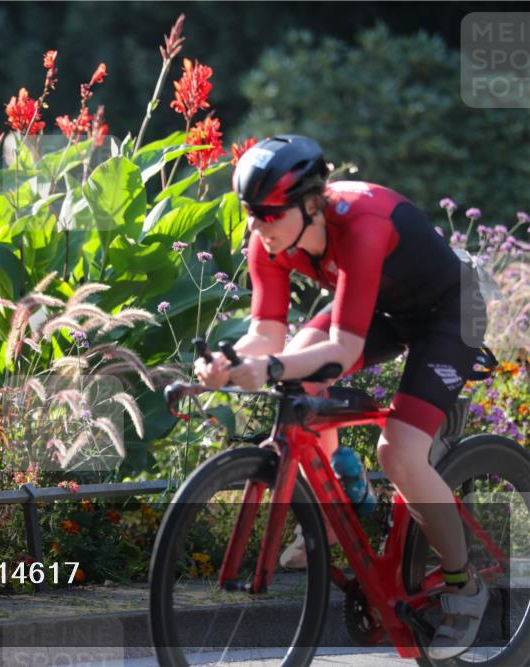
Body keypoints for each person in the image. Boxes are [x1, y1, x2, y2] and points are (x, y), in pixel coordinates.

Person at [194, 135, 489, 660]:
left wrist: (268, 365)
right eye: (248, 212)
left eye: (267, 212)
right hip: (384, 310)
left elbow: (344, 347)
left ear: (311, 205)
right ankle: (347, 501)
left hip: (448, 316)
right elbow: (265, 333)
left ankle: (465, 587)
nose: (256, 225)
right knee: (300, 386)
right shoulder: (267, 238)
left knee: (398, 451)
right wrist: (230, 362)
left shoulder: (362, 226)